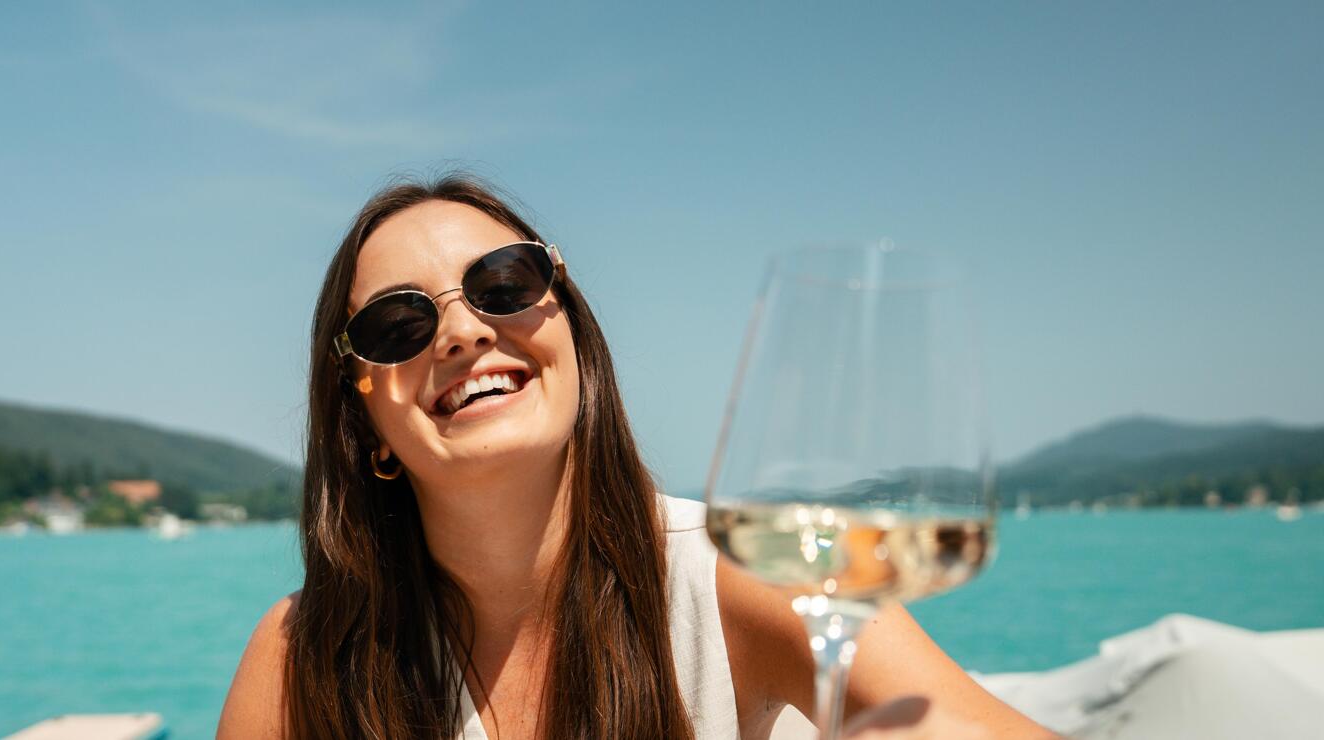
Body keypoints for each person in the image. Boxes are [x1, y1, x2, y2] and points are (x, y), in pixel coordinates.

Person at [218, 174, 1053, 739]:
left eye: (505, 283)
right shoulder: (303, 656)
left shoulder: (740, 578)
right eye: (398, 326)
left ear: (573, 329)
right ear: (361, 425)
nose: (466, 332)